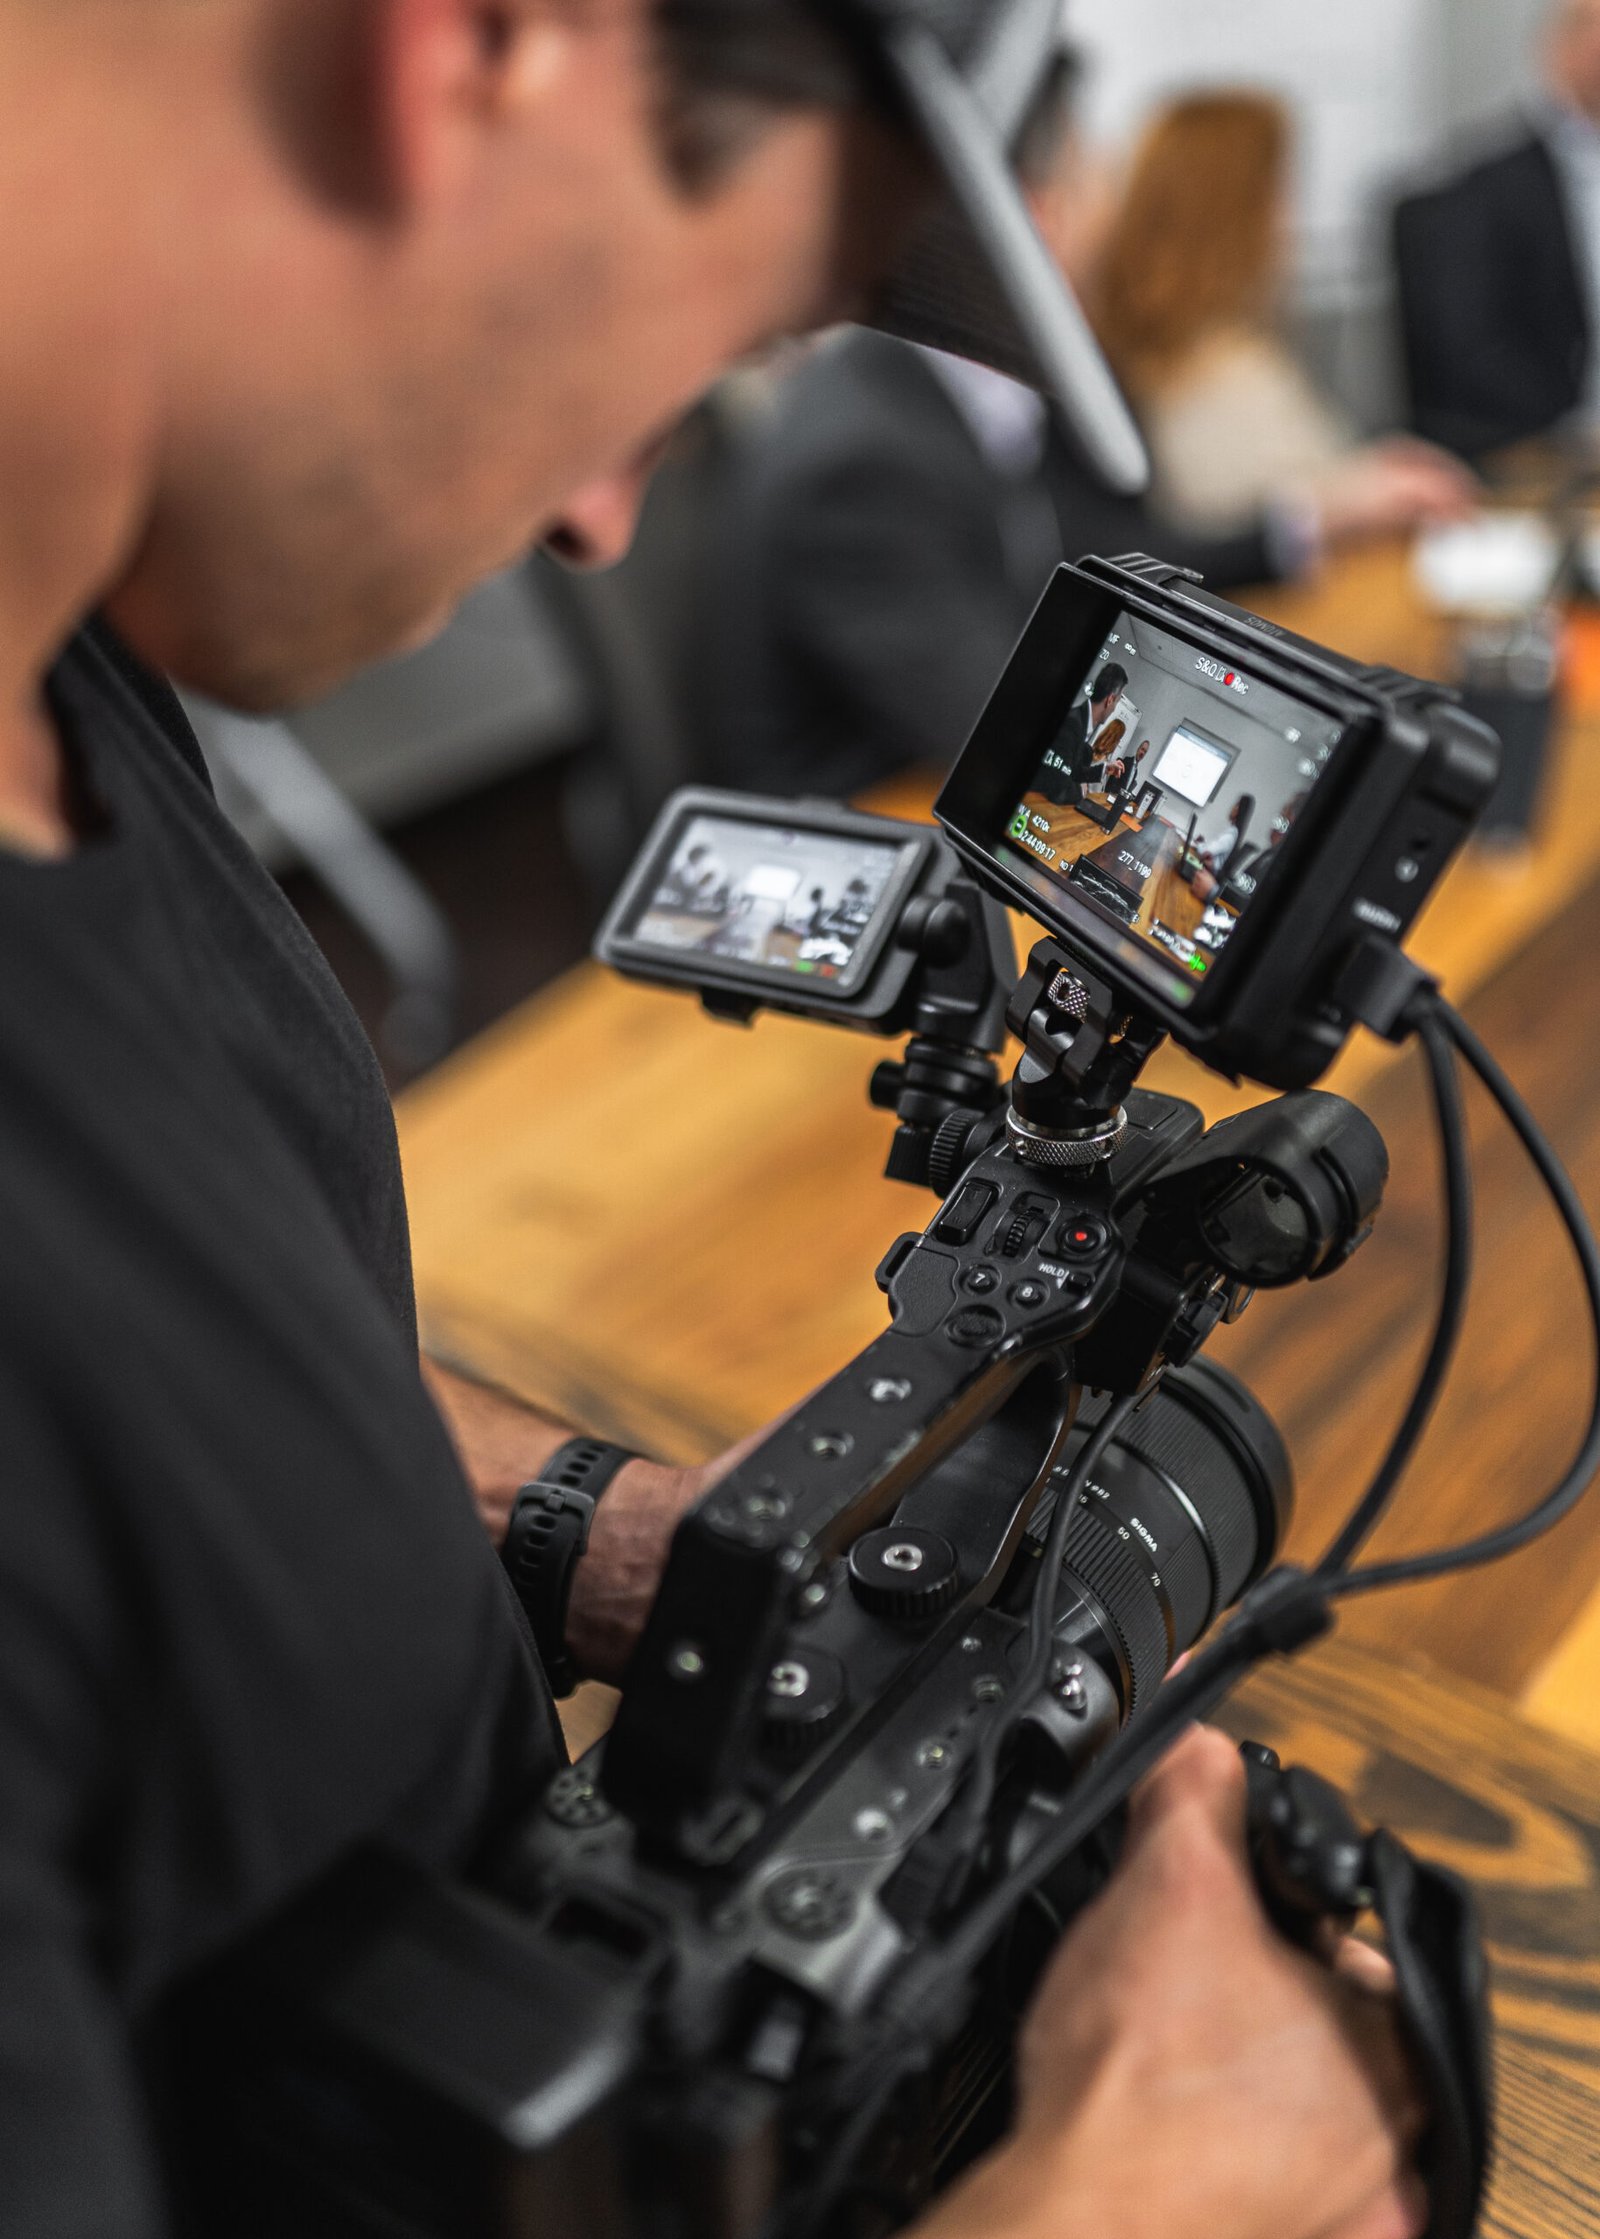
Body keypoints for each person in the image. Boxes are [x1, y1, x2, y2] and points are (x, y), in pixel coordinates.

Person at [0, 4, 1423, 2237]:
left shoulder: (65, 668)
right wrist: (1147, 2191)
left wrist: (581, 1529)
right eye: (704, 361)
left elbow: (159, 1371)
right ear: (477, 53)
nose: (601, 520)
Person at [702, 62, 1356, 803]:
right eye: (1092, 185)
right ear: (1029, 218)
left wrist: (1298, 529)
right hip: (875, 841)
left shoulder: (976, 389)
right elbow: (1002, 723)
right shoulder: (862, 463)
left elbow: (1102, 559)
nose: (1110, 224)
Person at [1097, 93, 1476, 539]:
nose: (1288, 221)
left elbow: (1296, 481)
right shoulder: (1192, 374)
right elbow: (1226, 526)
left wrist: (1371, 473)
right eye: (1279, 197)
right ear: (1233, 214)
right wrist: (1353, 500)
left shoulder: (1224, 346)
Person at [1394, 0, 1600, 459]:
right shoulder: (1477, 190)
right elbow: (1474, 355)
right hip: (1545, 457)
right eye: (1588, 29)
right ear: (1557, 46)